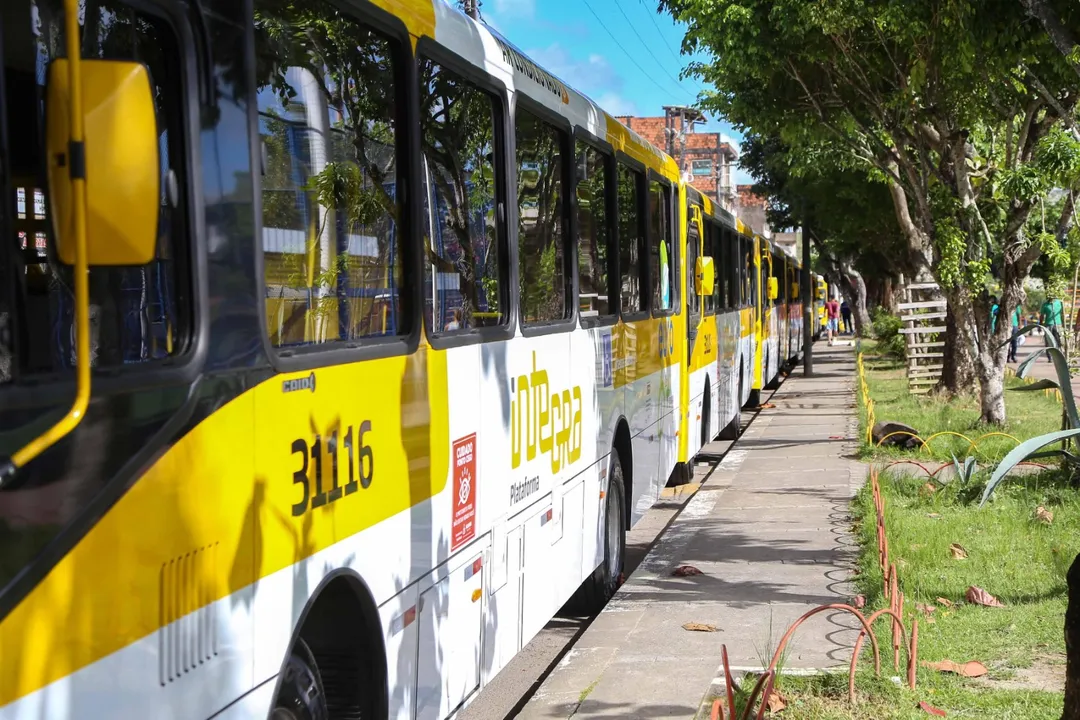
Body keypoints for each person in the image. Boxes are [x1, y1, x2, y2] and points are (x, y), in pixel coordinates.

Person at [1040, 293, 1064, 361]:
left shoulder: (1059, 303)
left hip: (1058, 324)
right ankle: (1049, 357)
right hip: (1048, 325)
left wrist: (1063, 324)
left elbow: (1062, 314)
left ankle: (1059, 355)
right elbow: (1042, 315)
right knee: (1048, 341)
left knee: (1058, 340)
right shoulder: (1045, 305)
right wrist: (1041, 324)